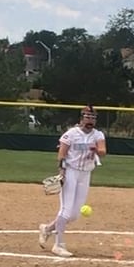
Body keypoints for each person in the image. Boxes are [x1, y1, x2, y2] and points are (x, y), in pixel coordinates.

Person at [38, 106, 106, 258]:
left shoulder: (98, 135)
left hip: (85, 174)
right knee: (66, 210)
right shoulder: (71, 134)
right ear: (82, 118)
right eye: (87, 117)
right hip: (71, 172)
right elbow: (62, 153)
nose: (90, 120)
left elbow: (103, 151)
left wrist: (96, 149)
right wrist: (62, 171)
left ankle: (47, 229)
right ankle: (58, 245)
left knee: (74, 215)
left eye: (93, 118)